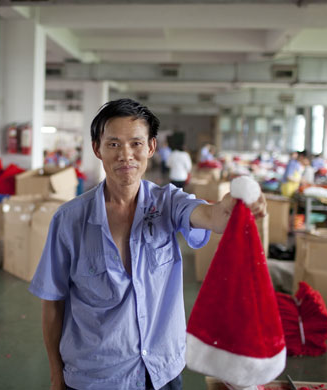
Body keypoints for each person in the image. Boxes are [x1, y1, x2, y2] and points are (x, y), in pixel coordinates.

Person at [28, 99, 266, 390]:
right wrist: (56, 375)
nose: (125, 155)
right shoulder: (69, 220)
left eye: (136, 143)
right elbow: (53, 303)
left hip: (161, 373)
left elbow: (212, 216)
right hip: (95, 376)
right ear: (96, 148)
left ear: (151, 147)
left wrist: (234, 206)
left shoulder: (169, 203)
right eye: (113, 144)